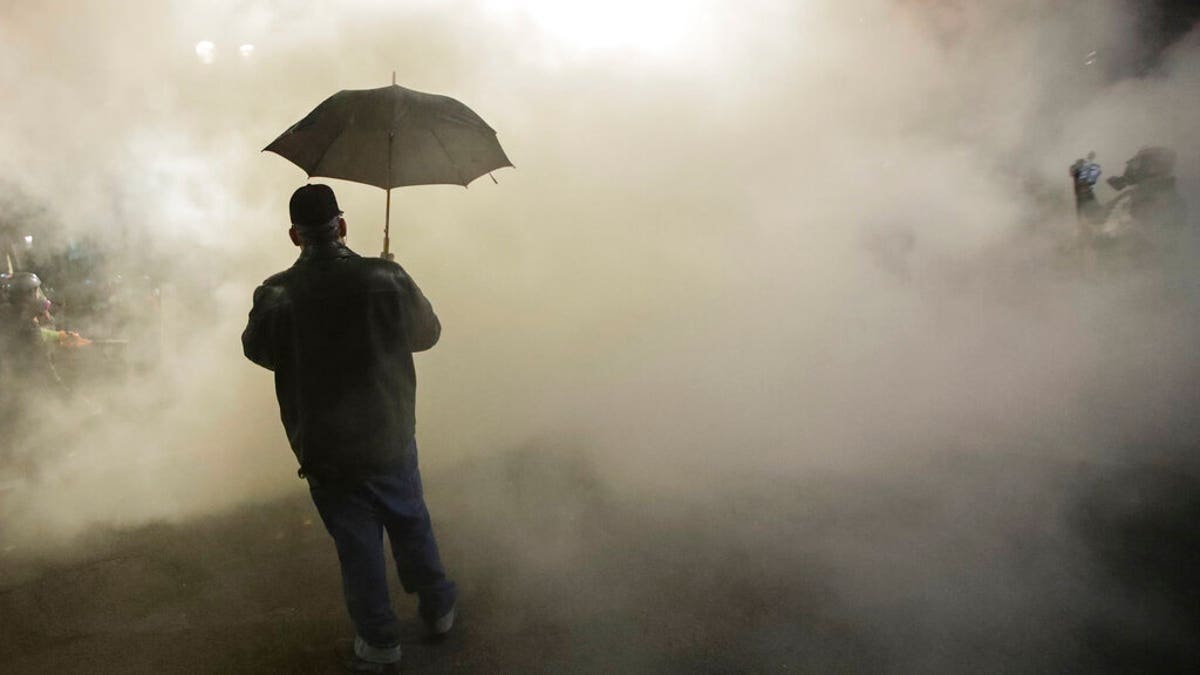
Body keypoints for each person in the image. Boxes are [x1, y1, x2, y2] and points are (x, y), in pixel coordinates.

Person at [242, 184, 456, 672]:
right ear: (341, 225)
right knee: (409, 519)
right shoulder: (385, 275)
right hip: (389, 430)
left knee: (357, 544)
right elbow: (427, 335)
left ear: (295, 235)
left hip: (324, 444)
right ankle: (438, 608)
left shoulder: (275, 293)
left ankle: (380, 643)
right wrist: (388, 282)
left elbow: (259, 351)